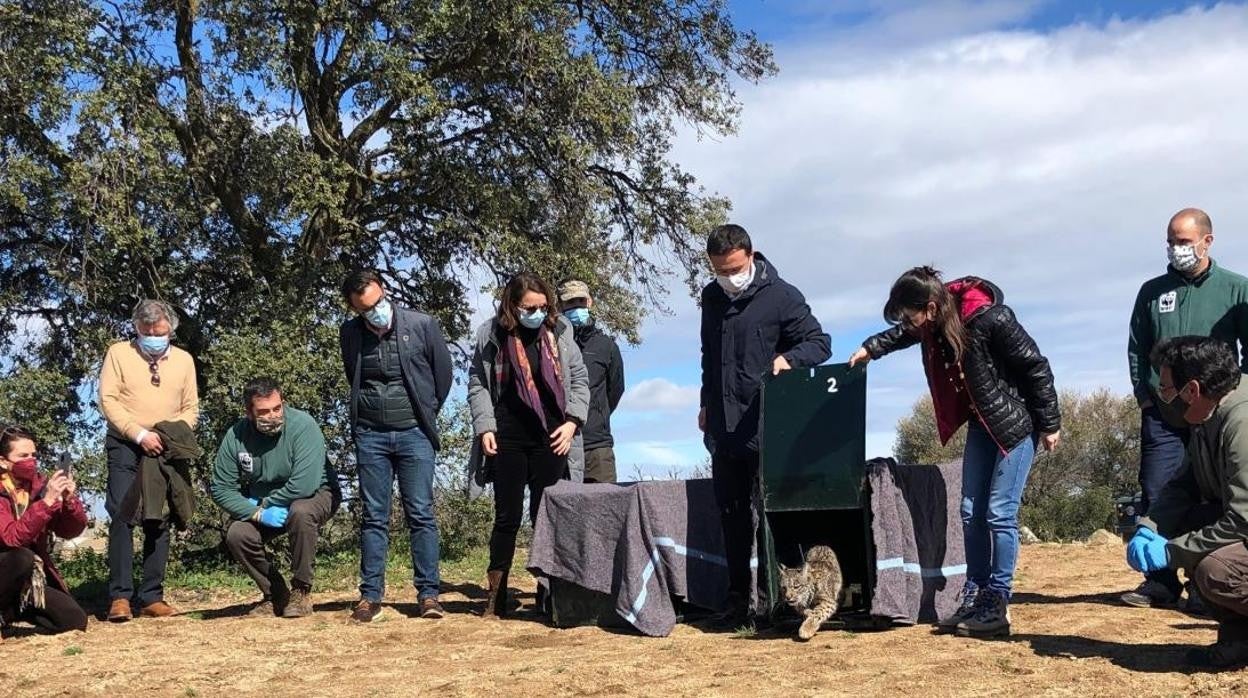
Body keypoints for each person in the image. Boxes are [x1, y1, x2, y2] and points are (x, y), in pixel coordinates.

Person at [849, 266, 1061, 639]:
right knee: (968, 511)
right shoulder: (931, 322)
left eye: (910, 316)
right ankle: (975, 592)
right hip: (984, 423)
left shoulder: (990, 318)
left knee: (999, 512)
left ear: (930, 308)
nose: (907, 325)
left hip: (1016, 424)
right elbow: (902, 334)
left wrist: (1050, 423)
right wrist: (871, 348)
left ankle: (997, 600)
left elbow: (1035, 366)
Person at [699, 224, 831, 625]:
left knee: (776, 518)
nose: (728, 277)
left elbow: (819, 342)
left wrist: (789, 359)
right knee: (732, 516)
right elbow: (710, 356)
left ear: (751, 256)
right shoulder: (711, 297)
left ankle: (787, 605)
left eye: (734, 268)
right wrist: (706, 402)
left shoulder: (782, 296)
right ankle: (739, 604)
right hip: (724, 427)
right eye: (720, 271)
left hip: (767, 426)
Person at [1124, 208, 1248, 610]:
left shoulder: (1236, 290)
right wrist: (1148, 397)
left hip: (1214, 405)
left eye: (1183, 240)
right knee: (1163, 488)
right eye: (1171, 241)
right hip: (1166, 413)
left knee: (1221, 499)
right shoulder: (1153, 291)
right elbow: (1137, 348)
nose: (1176, 248)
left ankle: (1206, 580)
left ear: (1206, 241)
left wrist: (1234, 394)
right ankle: (1160, 583)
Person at [468, 272, 589, 618]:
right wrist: (484, 427)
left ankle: (549, 594)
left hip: (553, 437)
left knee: (546, 516)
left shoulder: (562, 333)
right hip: (507, 436)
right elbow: (477, 383)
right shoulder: (491, 334)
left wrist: (572, 422)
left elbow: (579, 380)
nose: (537, 313)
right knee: (507, 516)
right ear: (513, 306)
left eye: (542, 306)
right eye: (528, 307)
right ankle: (497, 593)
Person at [340, 270, 454, 623]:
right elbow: (354, 375)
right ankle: (370, 596)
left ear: (384, 291)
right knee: (374, 516)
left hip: (414, 434)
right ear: (355, 310)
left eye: (377, 303)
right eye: (366, 309)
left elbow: (443, 374)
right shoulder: (350, 334)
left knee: (420, 512)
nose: (375, 311)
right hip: (371, 435)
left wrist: (427, 412)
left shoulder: (422, 325)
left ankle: (428, 594)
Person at [1127, 336, 1248, 668]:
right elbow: (1183, 485)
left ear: (1191, 389)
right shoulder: (1208, 415)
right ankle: (1240, 640)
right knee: (1190, 525)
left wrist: (1171, 552)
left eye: (1166, 389)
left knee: (1216, 571)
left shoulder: (1241, 421)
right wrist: (1150, 528)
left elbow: (1243, 519)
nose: (1164, 397)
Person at [99, 299, 199, 622]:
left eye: (160, 331)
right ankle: (120, 597)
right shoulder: (119, 353)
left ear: (170, 329)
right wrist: (139, 434)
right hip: (126, 442)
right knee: (121, 512)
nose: (153, 336)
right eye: (147, 331)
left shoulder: (184, 361)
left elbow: (191, 409)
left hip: (166, 444)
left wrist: (169, 436)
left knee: (160, 515)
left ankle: (152, 596)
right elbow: (109, 400)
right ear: (137, 329)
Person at [210, 378, 340, 619]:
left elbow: (304, 485)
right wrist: (257, 513)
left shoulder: (303, 425)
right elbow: (220, 488)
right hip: (265, 503)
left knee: (301, 512)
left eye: (277, 408)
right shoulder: (236, 436)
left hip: (316, 493)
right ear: (249, 412)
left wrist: (262, 505)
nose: (272, 416)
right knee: (238, 534)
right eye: (264, 411)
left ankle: (301, 592)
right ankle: (276, 594)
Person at [0, 426, 89, 635]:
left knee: (74, 620)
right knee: (21, 557)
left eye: (33, 455)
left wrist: (68, 500)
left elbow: (70, 531)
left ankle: (11, 613)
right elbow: (10, 539)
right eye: (23, 456)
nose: (31, 461)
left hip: (29, 580)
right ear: (3, 461)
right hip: (6, 566)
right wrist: (46, 503)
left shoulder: (39, 487)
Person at [558, 280, 625, 484]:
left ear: (589, 302)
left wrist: (596, 414)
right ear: (561, 306)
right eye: (570, 303)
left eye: (580, 301)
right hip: (562, 446)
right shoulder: (551, 344)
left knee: (607, 511)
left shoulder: (607, 346)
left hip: (597, 447)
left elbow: (616, 390)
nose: (576, 307)